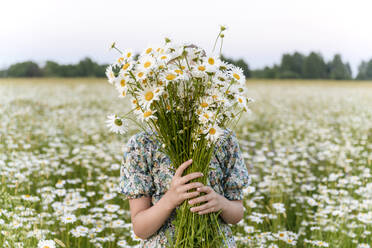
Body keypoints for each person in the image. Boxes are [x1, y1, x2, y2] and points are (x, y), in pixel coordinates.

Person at [119, 127, 251, 247]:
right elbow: (140, 229)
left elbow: (237, 213)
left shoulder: (222, 138)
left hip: (215, 243)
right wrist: (170, 200)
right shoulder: (142, 143)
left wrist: (222, 204)